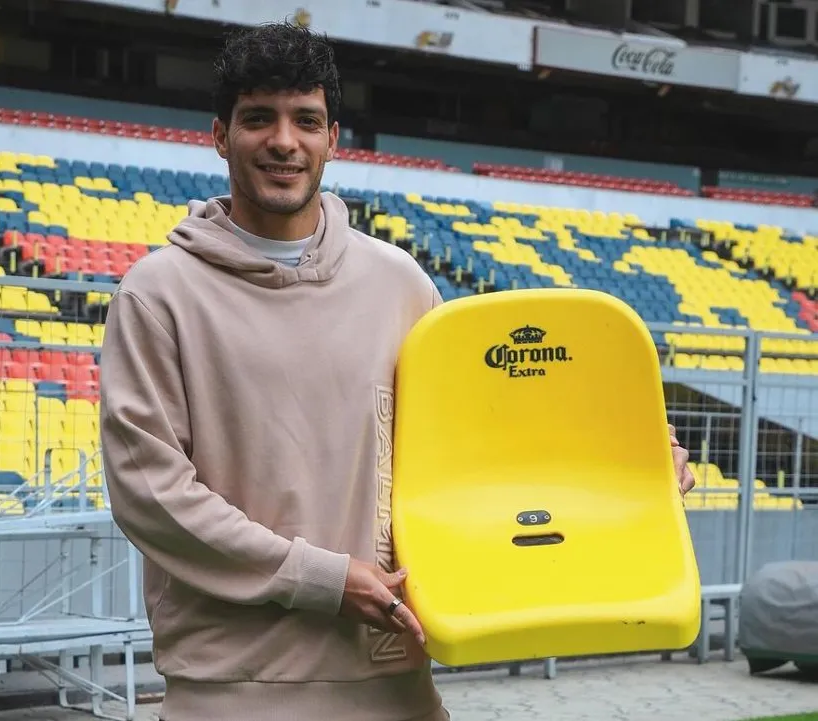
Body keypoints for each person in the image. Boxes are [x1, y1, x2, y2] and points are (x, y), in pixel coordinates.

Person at [99, 20, 696, 721]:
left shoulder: (402, 284)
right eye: (259, 118)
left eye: (306, 120)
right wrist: (324, 578)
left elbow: (478, 447)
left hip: (395, 685)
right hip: (233, 691)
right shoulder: (158, 293)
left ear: (333, 138)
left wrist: (630, 466)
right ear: (220, 135)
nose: (285, 141)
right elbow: (152, 494)